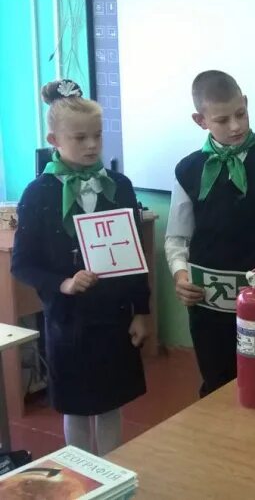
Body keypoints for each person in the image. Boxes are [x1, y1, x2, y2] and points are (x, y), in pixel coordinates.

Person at [12, 79, 149, 455]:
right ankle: (83, 474)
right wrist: (64, 284)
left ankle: (112, 471)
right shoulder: (39, 193)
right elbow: (23, 264)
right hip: (68, 320)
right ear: (54, 140)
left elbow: (136, 260)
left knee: (110, 402)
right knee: (75, 402)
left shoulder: (119, 186)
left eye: (97, 136)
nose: (91, 145)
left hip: (114, 315)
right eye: (79, 138)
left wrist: (142, 312)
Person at [166, 70, 255, 398]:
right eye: (222, 120)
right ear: (200, 120)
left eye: (240, 114)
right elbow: (177, 237)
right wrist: (180, 274)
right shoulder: (187, 170)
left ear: (245, 103)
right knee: (215, 383)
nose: (235, 126)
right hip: (206, 303)